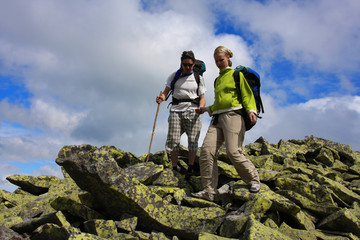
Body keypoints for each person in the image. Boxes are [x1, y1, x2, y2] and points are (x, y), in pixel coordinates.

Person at [191, 46, 260, 202]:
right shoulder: (218, 80)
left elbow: (247, 95)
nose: (219, 63)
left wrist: (251, 110)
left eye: (221, 60)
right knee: (206, 152)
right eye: (216, 61)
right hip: (217, 118)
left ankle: (253, 179)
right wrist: (206, 109)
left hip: (234, 115)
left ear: (228, 58)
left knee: (233, 151)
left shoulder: (237, 75)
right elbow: (219, 102)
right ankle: (209, 191)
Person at [156, 51, 206, 176]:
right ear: (181, 63)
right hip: (175, 110)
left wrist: (201, 106)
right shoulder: (174, 76)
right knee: (173, 139)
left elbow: (202, 97)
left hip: (193, 111)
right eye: (185, 65)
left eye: (190, 65)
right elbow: (166, 92)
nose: (188, 67)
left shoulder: (198, 78)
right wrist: (161, 98)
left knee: (193, 140)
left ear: (194, 64)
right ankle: (174, 167)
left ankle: (190, 167)